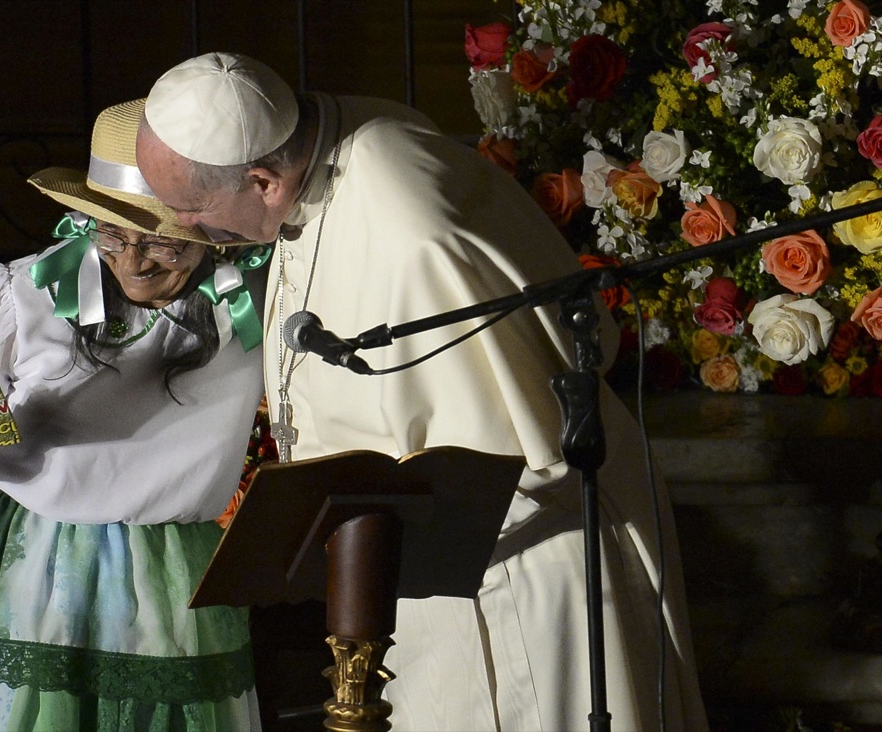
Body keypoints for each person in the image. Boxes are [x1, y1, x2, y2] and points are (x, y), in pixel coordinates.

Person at [134, 52, 710, 731]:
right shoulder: (325, 136)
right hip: (422, 562)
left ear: (263, 179)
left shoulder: (410, 228)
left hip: (516, 572)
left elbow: (522, 447)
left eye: (192, 211)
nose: (190, 232)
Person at [0, 97, 270, 731]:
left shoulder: (252, 308)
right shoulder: (19, 293)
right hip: (21, 563)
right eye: (112, 235)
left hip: (171, 575)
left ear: (207, 228)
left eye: (164, 244)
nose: (133, 262)